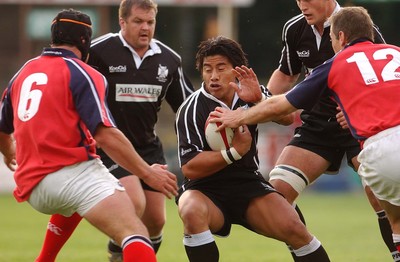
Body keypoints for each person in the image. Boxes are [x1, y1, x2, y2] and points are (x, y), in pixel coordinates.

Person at [210, 6, 400, 260]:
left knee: (380, 199)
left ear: (340, 37)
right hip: (318, 125)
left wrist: (241, 115)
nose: (302, 4)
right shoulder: (295, 28)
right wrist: (258, 99)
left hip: (359, 129)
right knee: (277, 196)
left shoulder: (354, 40)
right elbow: (287, 75)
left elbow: (378, 83)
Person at [0, 8, 179, 262]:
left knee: (81, 195)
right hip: (70, 174)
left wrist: (9, 152)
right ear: (85, 41)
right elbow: (106, 135)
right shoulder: (84, 73)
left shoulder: (25, 71)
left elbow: (2, 127)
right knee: (135, 231)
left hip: (31, 186)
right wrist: (149, 173)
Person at [175, 35, 330, 262]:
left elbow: (287, 118)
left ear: (236, 70)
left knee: (295, 228)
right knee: (189, 209)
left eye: (221, 68)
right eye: (207, 69)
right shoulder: (191, 107)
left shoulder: (251, 92)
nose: (214, 76)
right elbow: (190, 168)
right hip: (205, 189)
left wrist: (259, 101)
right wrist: (234, 152)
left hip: (247, 183)